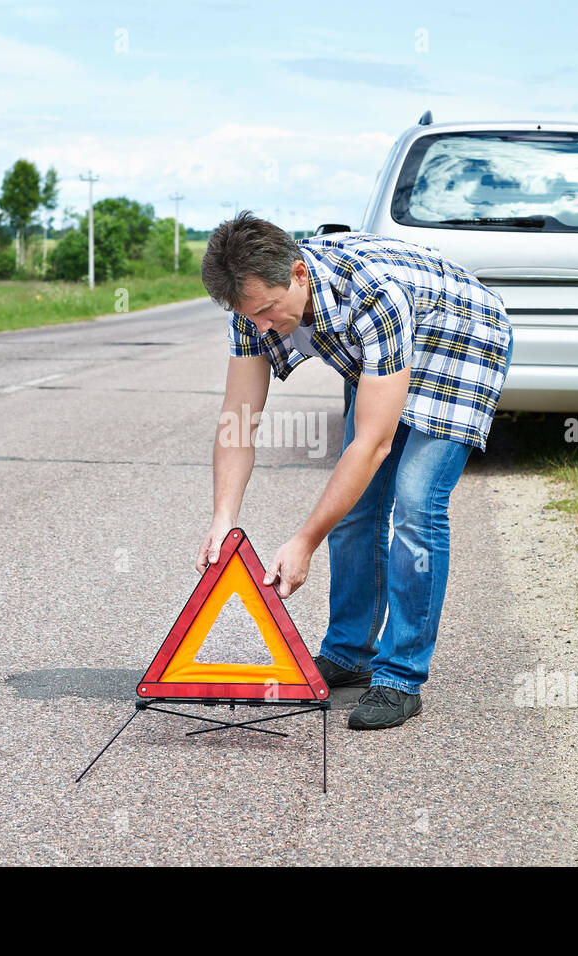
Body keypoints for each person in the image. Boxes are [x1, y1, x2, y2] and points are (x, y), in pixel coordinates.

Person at [196, 212, 513, 730]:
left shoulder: (372, 297)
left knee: (414, 503)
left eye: (270, 312)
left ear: (299, 274)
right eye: (250, 315)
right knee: (356, 509)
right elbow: (237, 421)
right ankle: (349, 653)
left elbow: (373, 443)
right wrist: (222, 517)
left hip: (461, 341)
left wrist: (303, 541)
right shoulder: (253, 306)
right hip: (387, 350)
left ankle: (401, 677)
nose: (261, 327)